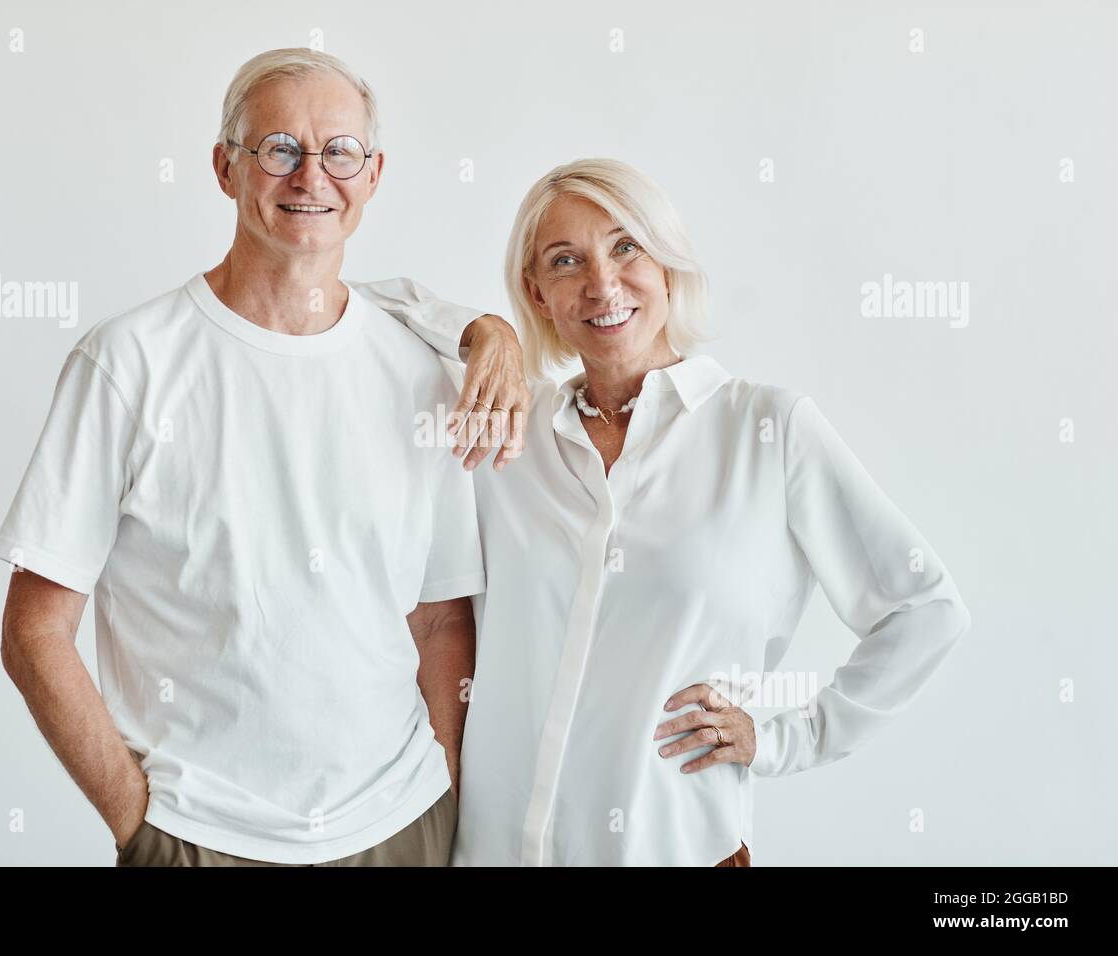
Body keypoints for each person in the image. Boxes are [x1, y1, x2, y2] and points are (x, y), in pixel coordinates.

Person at [0, 47, 529, 867]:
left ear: (374, 173)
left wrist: (444, 782)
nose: (311, 175)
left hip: (400, 827)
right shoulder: (129, 363)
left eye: (339, 151)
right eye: (278, 148)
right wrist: (138, 821)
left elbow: (439, 614)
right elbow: (35, 629)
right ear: (224, 167)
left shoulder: (422, 373)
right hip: (199, 837)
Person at [397, 158, 973, 865]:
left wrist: (787, 737)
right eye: (565, 259)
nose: (602, 283)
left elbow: (926, 608)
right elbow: (357, 302)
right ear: (537, 294)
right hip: (492, 851)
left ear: (668, 264)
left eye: (626, 247)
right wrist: (485, 331)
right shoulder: (511, 433)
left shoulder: (767, 429)